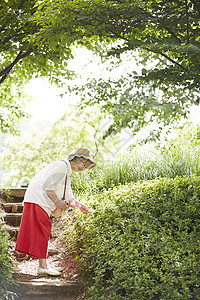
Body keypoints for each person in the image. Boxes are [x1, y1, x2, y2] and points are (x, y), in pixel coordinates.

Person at [15, 148, 96, 276]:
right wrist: (58, 203)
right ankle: (43, 267)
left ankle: (44, 265)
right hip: (38, 198)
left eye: (86, 167)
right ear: (77, 159)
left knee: (44, 229)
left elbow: (69, 197)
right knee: (43, 229)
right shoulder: (62, 167)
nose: (83, 168)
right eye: (83, 164)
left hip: (39, 199)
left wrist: (80, 205)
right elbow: (47, 186)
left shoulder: (67, 173)